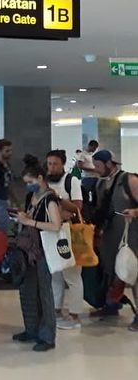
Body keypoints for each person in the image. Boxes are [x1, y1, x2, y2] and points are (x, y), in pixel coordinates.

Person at [13, 158, 63, 352]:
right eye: (26, 183)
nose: (29, 186)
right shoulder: (31, 197)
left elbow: (56, 226)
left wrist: (29, 223)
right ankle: (31, 329)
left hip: (43, 251)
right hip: (30, 251)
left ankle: (47, 336)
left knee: (45, 293)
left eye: (31, 182)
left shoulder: (50, 199)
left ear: (40, 178)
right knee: (28, 291)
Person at [91, 150, 138, 329]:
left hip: (131, 235)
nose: (95, 169)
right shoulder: (101, 183)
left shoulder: (129, 180)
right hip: (110, 236)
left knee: (133, 274)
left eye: (98, 165)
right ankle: (112, 304)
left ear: (109, 164)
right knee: (111, 270)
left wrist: (134, 212)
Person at [44, 150, 84, 330]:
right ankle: (56, 310)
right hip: (52, 231)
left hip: (69, 232)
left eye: (55, 164)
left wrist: (56, 197)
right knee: (56, 274)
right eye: (49, 164)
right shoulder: (44, 181)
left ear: (63, 164)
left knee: (72, 275)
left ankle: (75, 315)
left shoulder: (71, 181)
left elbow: (77, 208)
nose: (52, 167)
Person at [77, 140, 99, 206]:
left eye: (95, 148)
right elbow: (80, 166)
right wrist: (92, 169)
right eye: (94, 148)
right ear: (90, 146)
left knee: (95, 195)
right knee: (85, 195)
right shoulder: (82, 155)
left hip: (95, 177)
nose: (94, 150)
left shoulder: (92, 155)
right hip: (87, 177)